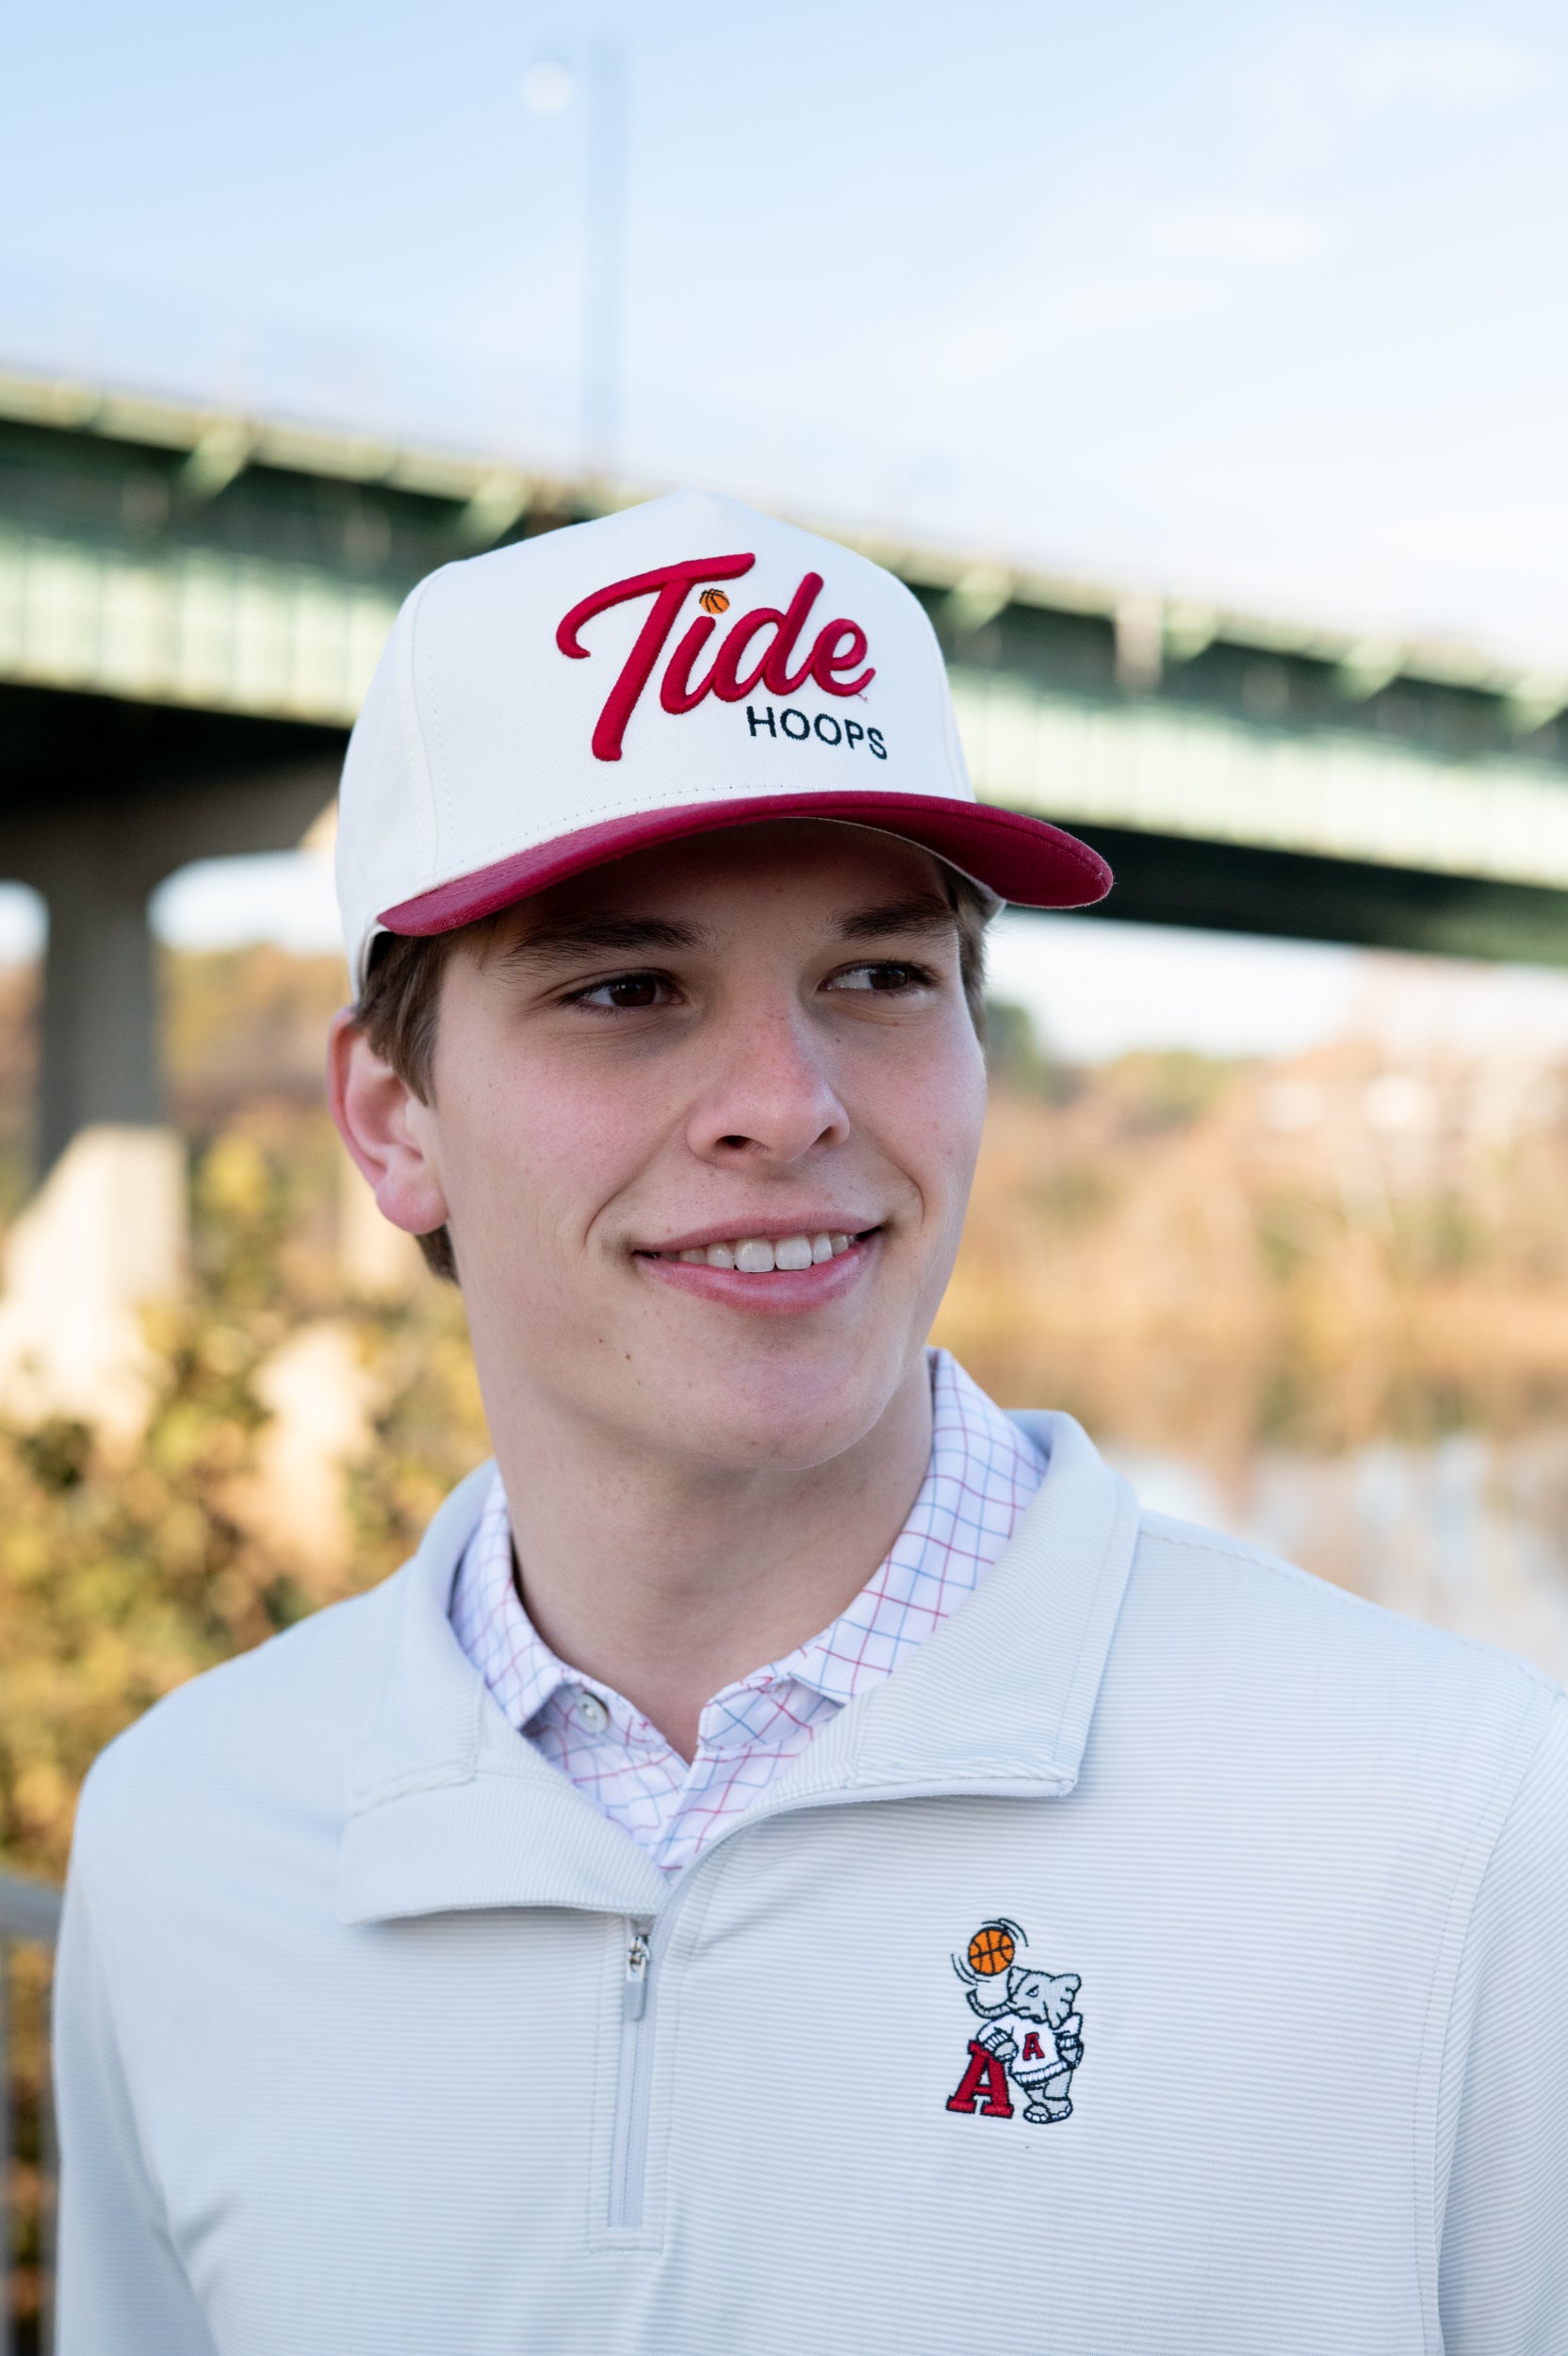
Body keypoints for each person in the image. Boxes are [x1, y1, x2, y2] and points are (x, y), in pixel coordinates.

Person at [55, 492, 1568, 2355]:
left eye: (878, 976)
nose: (786, 1100)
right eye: (626, 986)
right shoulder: (184, 1837)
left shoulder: (1460, 1812)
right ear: (391, 1119)